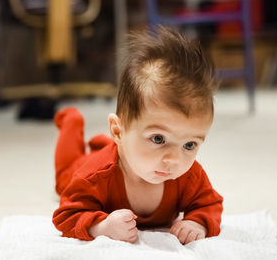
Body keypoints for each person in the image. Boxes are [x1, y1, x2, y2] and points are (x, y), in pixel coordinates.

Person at [52, 25, 223, 245]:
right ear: (117, 130)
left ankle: (102, 144)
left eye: (189, 145)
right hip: (84, 166)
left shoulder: (188, 176)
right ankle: (71, 123)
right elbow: (66, 216)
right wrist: (100, 227)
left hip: (122, 148)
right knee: (64, 174)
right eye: (158, 139)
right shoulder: (92, 177)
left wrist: (197, 223)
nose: (174, 159)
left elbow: (209, 204)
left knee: (110, 149)